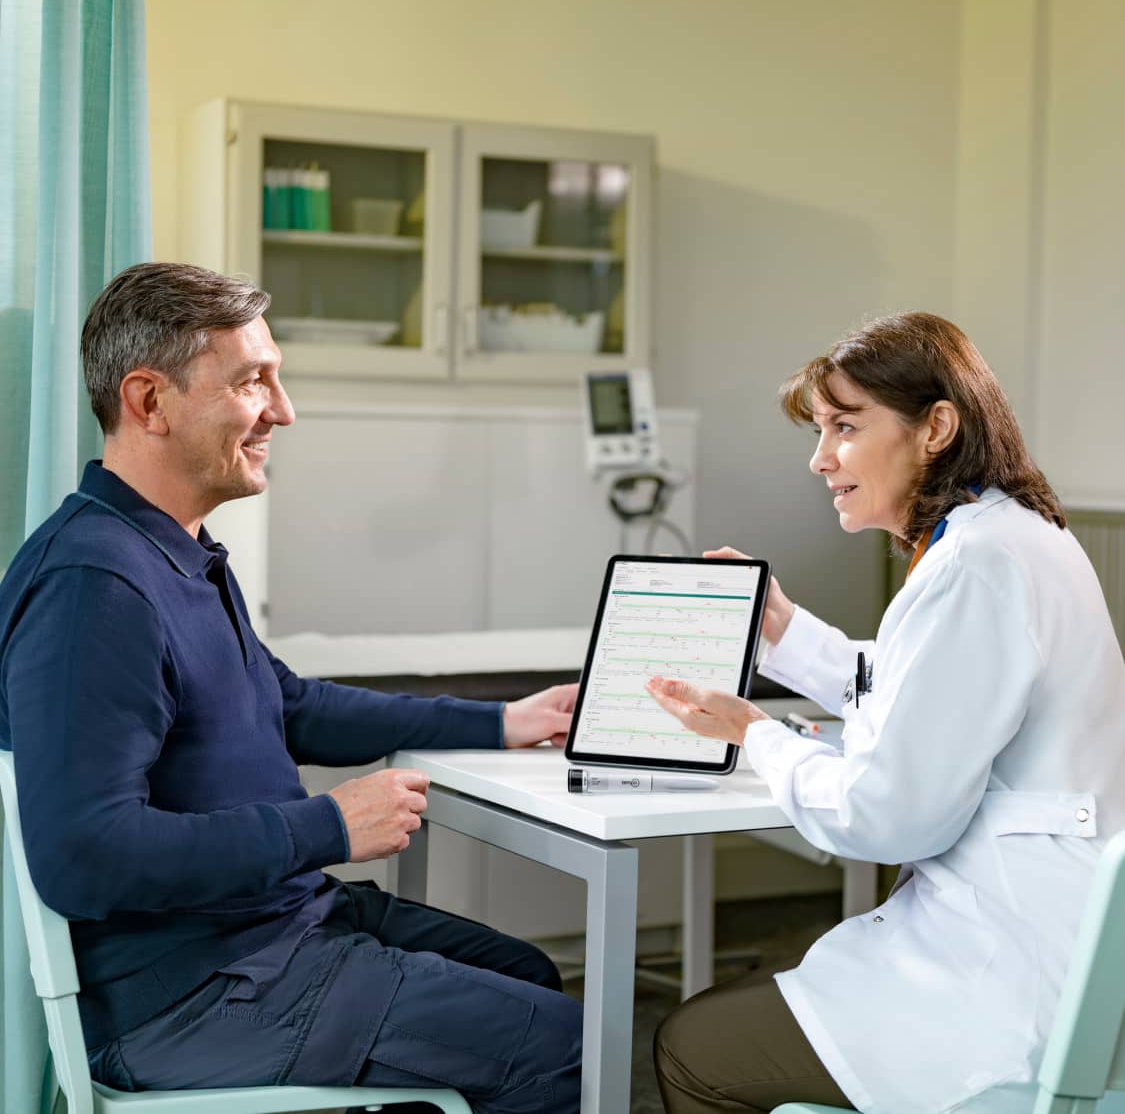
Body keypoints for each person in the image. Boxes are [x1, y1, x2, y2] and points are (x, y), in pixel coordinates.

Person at [0, 263, 582, 1112]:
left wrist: (501, 720)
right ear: (149, 401)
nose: (282, 408)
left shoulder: (174, 550)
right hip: (191, 991)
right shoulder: (95, 588)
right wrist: (328, 824)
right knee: (563, 1051)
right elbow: (84, 859)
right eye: (251, 382)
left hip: (271, 928)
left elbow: (290, 704)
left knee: (525, 971)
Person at [646, 312, 1125, 1114]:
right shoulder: (1004, 537)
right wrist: (785, 630)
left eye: (843, 426)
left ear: (935, 426)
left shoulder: (975, 563)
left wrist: (757, 734)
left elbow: (885, 817)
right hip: (1041, 941)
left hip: (1011, 975)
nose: (819, 457)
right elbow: (926, 690)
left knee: (694, 1051)